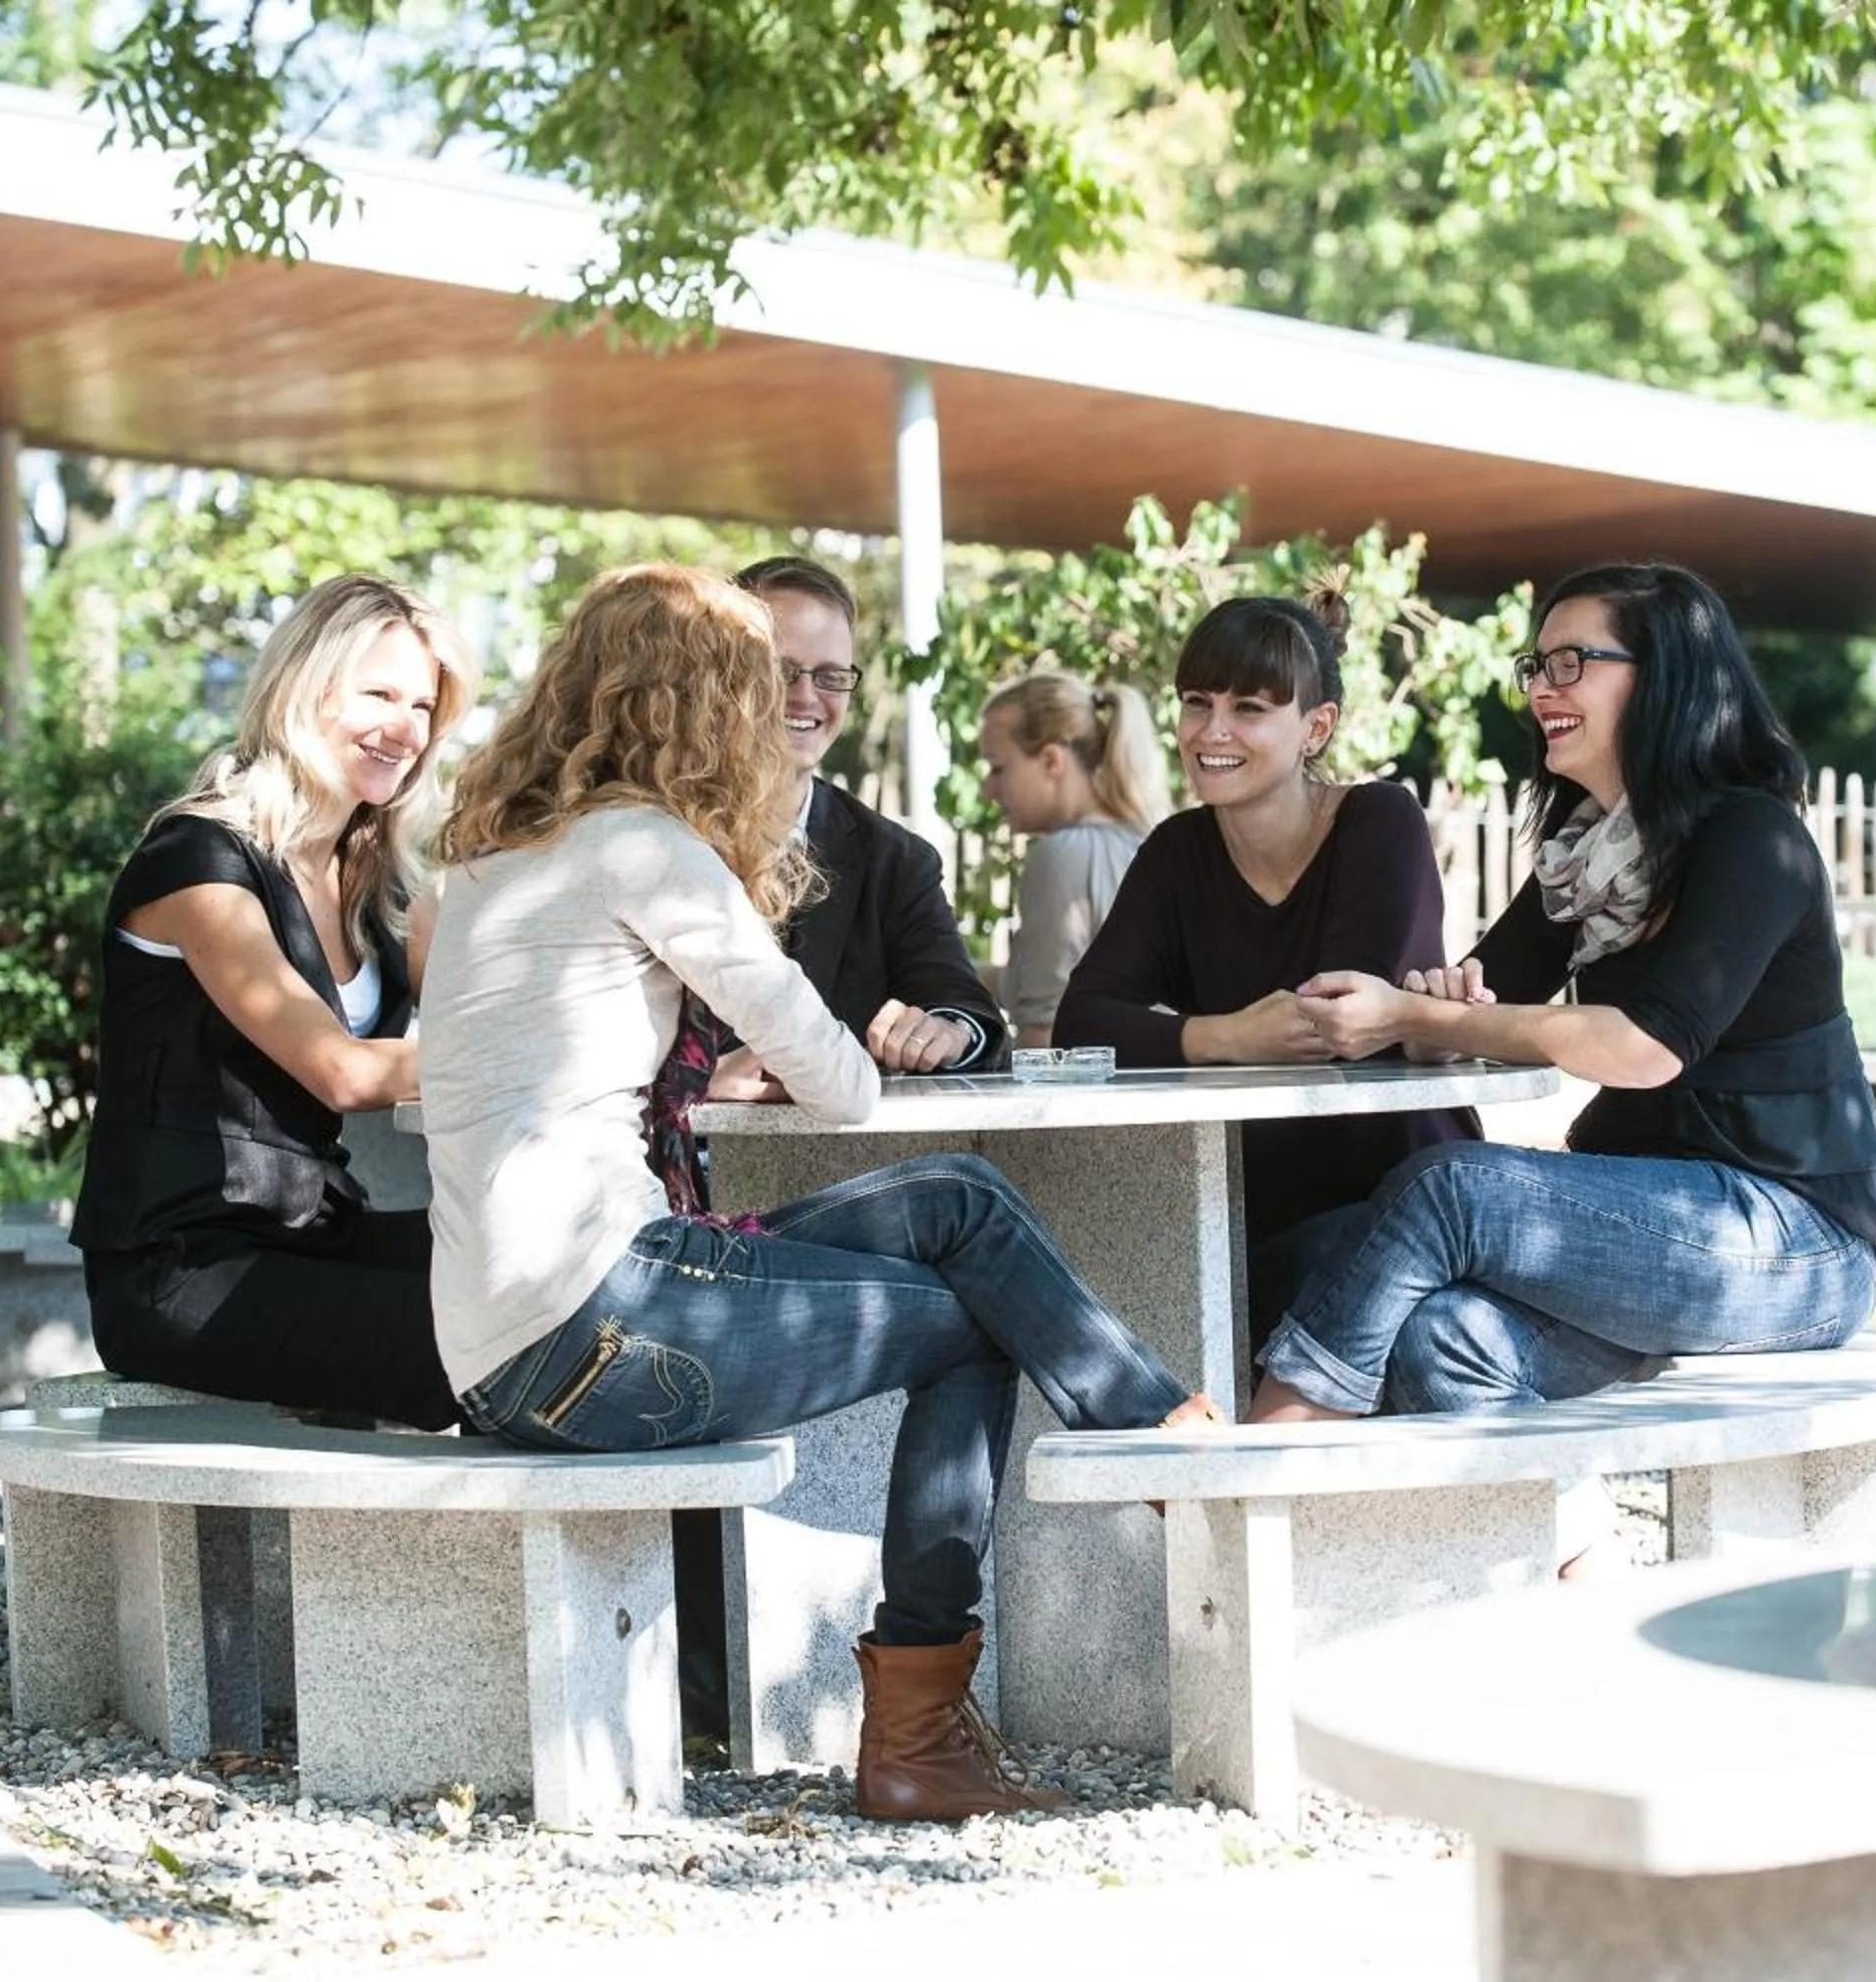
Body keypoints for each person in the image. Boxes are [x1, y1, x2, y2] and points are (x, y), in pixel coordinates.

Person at [419, 564, 1214, 1822]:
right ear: (701, 701)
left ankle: (1160, 1434)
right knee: (978, 1320)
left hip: (520, 1328)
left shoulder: (502, 851)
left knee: (955, 1199)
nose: (773, 710)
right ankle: (930, 1724)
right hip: (597, 1319)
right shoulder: (648, 846)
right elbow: (842, 1086)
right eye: (753, 684)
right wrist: (790, 1050)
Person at [1247, 561, 1876, 1429]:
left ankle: (1270, 1443)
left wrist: (1418, 1015)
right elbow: (1472, 1011)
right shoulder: (1585, 859)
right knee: (1431, 1325)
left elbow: (1642, 1047)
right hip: (1645, 1219)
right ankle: (1575, 1557)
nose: (1542, 689)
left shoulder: (1753, 838)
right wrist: (1433, 1014)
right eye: (1537, 666)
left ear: (1663, 676)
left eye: (1571, 663)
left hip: (1794, 1239)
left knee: (1447, 1188)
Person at [69, 575, 474, 1429]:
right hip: (182, 1269)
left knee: (557, 1273)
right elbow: (344, 1072)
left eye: (423, 706)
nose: (405, 728)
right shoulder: (196, 860)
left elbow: (476, 1018)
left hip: (314, 1234)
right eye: (379, 694)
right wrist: (536, 1051)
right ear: (305, 688)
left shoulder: (374, 882)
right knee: (488, 1336)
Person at [1055, 594, 1478, 1345]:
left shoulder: (1380, 822)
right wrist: (1226, 1037)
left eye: (1248, 708)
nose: (1212, 732)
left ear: (1316, 728)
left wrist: (1187, 1035)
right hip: (1241, 1201)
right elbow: (1082, 1020)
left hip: (1402, 1201)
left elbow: (1336, 1021)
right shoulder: (1177, 852)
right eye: (1196, 703)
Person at [728, 556, 1004, 1079]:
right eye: (781, 670)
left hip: (825, 1154)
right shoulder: (651, 838)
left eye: (831, 677)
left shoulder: (894, 859)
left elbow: (967, 1012)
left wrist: (946, 1031)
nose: (806, 696)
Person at [976, 670, 1169, 1046]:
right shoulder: (1146, 844)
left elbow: (1046, 1038)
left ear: (1051, 761)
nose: (988, 789)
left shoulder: (1065, 856)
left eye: (999, 768)